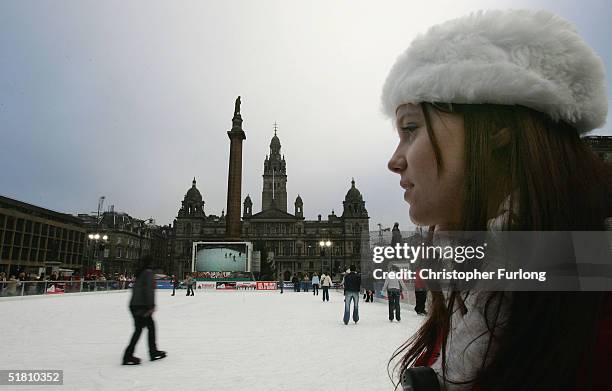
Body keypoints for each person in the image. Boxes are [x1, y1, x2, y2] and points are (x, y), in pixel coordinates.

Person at [383, 9, 612, 390]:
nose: (394, 161)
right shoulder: (469, 295)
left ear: (497, 129)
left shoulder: (595, 325)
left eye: (411, 128)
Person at [122, 256, 166, 365]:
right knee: (146, 328)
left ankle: (133, 354)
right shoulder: (148, 273)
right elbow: (148, 290)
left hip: (135, 304)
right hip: (141, 305)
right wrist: (151, 305)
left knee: (142, 328)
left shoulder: (141, 272)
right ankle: (149, 352)